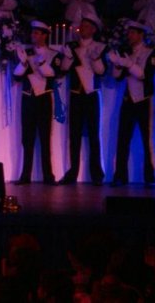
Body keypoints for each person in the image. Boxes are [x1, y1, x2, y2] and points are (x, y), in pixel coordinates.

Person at [58, 14, 108, 185]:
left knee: (94, 135)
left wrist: (95, 59)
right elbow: (64, 69)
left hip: (92, 94)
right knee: (74, 135)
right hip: (76, 94)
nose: (82, 29)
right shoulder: (72, 46)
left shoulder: (100, 47)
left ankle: (97, 175)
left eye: (86, 26)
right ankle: (72, 173)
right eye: (81, 25)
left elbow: (101, 72)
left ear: (93, 29)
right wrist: (68, 57)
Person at [109, 20, 155, 187]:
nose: (129, 35)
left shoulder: (152, 52)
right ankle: (120, 175)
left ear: (141, 34)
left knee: (147, 140)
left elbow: (145, 75)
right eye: (128, 32)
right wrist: (117, 64)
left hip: (145, 99)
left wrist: (128, 63)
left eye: (132, 32)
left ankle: (150, 176)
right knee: (122, 139)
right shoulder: (127, 52)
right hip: (128, 99)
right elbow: (117, 77)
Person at [13, 21, 62, 185]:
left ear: (45, 35)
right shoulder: (25, 52)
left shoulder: (53, 54)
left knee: (45, 138)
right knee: (27, 139)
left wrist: (41, 62)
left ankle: (48, 176)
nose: (33, 36)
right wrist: (23, 63)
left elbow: (52, 74)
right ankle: (25, 175)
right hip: (28, 97)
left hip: (44, 99)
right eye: (33, 32)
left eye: (37, 33)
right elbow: (17, 76)